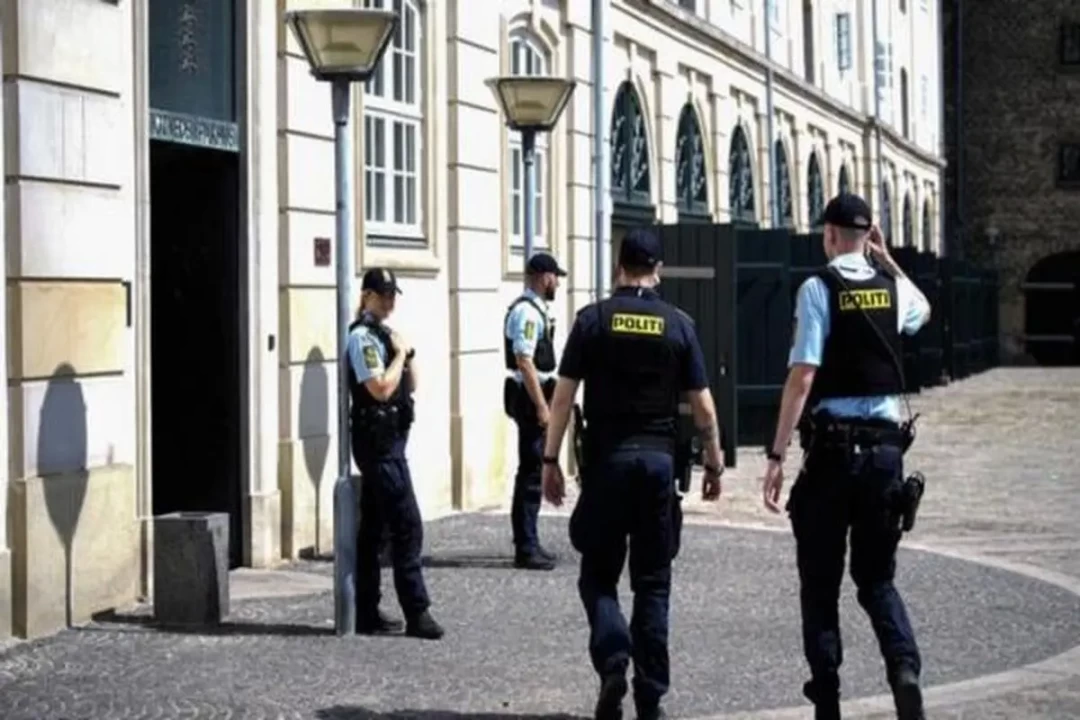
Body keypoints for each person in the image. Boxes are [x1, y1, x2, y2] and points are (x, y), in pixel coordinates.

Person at [540, 229, 725, 720]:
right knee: (653, 584)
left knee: (598, 575)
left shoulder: (592, 320)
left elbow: (563, 398)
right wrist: (714, 461)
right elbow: (703, 407)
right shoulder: (678, 325)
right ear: (657, 271)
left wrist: (549, 461)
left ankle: (613, 658)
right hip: (658, 467)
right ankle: (650, 697)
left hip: (607, 465)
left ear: (619, 267)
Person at [762, 193, 931, 720]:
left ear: (830, 235)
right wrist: (888, 260)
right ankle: (903, 668)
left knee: (820, 583)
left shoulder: (818, 288)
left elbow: (803, 375)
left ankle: (828, 697)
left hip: (832, 454)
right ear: (869, 236)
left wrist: (776, 454)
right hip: (884, 456)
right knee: (877, 579)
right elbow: (923, 311)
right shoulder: (892, 288)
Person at [346, 267, 443, 640]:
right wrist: (400, 353)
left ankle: (366, 609)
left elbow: (410, 384)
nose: (389, 302)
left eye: (392, 295)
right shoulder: (362, 339)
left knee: (373, 528)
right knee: (407, 525)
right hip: (379, 445)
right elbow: (381, 389)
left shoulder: (384, 336)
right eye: (383, 295)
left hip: (391, 441)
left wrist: (407, 353)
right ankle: (417, 612)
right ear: (367, 296)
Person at [503, 252, 567, 570]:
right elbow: (524, 361)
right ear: (544, 277)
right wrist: (542, 406)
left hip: (536, 396)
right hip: (530, 400)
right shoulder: (527, 313)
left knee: (533, 469)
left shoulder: (536, 310)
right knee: (530, 472)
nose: (557, 284)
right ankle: (526, 547)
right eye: (555, 277)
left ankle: (530, 540)